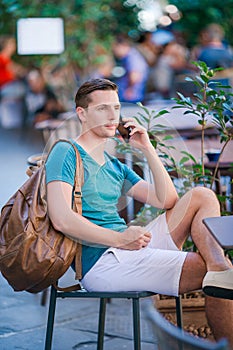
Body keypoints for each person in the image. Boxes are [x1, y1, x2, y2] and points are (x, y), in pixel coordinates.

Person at [45, 78, 233, 347]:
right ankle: (219, 277)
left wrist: (147, 148)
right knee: (221, 272)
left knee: (202, 196)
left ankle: (218, 269)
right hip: (102, 262)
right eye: (103, 109)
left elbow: (167, 199)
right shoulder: (65, 152)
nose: (113, 116)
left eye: (117, 107)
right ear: (82, 113)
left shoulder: (113, 165)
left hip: (129, 247)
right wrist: (121, 240)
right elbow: (61, 219)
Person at [112, 35, 149, 103]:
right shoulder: (129, 57)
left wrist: (129, 90)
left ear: (121, 46)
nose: (114, 51)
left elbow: (135, 76)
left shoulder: (132, 57)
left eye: (114, 48)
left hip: (131, 98)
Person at [0, 35, 27, 128]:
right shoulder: (2, 58)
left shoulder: (6, 59)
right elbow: (16, 69)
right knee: (29, 89)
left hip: (10, 86)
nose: (14, 46)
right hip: (6, 88)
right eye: (12, 44)